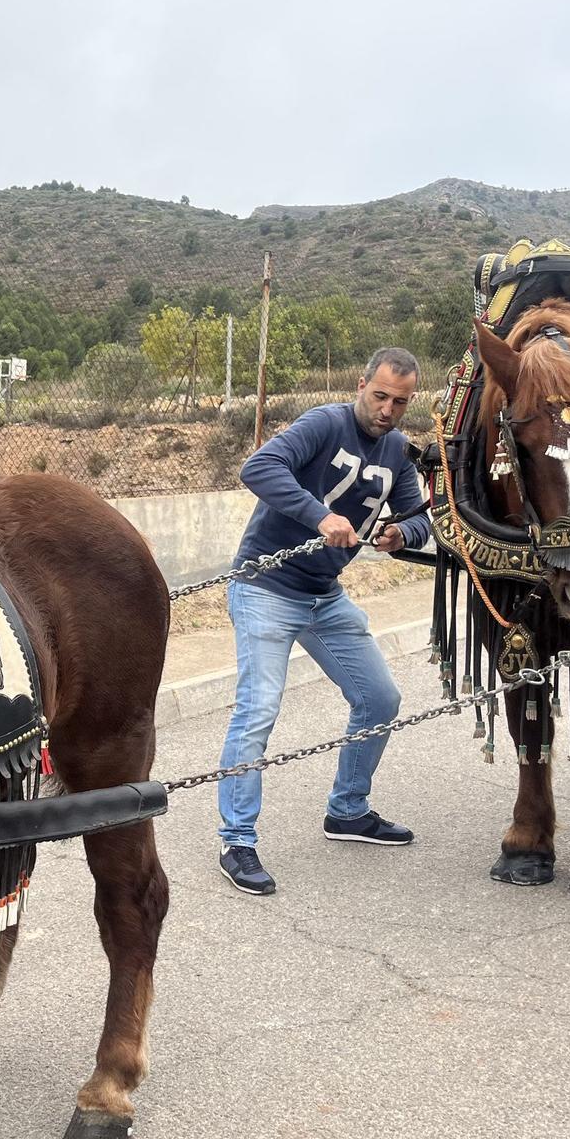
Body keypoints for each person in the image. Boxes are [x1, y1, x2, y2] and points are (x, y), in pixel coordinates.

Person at [216, 347, 432, 894]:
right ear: (362, 384)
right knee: (258, 709)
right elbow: (258, 467)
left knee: (380, 699)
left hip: (322, 595)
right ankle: (237, 841)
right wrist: (321, 515)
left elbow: (419, 517)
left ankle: (348, 811)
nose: (387, 409)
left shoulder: (399, 450)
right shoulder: (326, 422)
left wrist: (400, 535)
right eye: (379, 395)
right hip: (266, 587)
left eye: (399, 402)